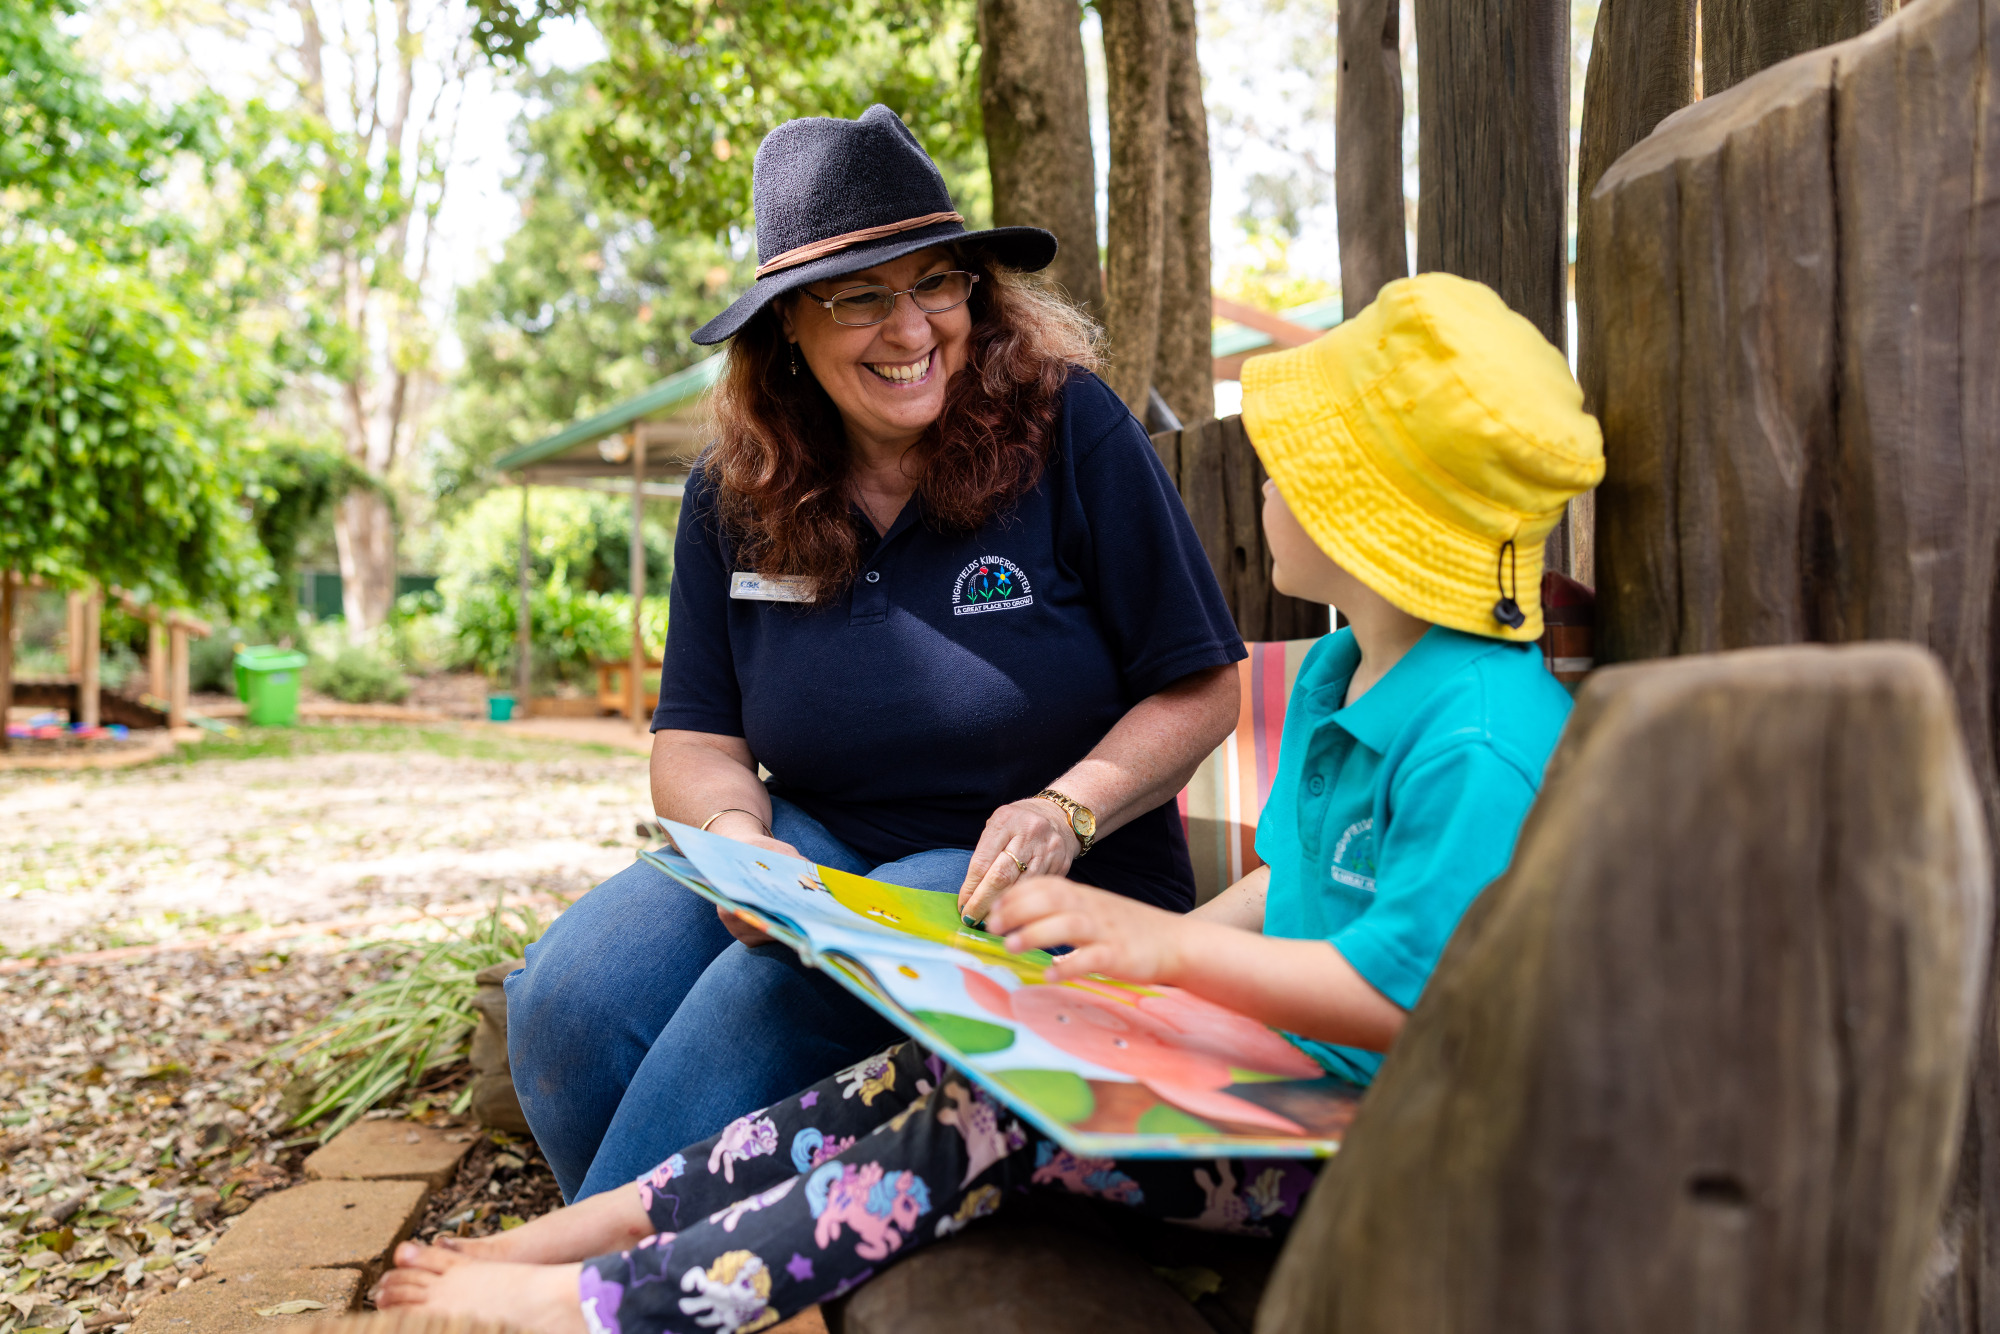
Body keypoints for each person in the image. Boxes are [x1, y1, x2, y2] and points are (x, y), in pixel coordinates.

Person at [374, 272, 1609, 1333]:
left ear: (1364, 519)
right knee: (893, 1080)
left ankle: (614, 1302)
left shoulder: (1475, 735)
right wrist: (1116, 987)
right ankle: (583, 1236)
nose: (1264, 494)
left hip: (1366, 1140)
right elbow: (1292, 889)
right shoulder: (1351, 672)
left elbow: (1412, 999)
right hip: (1270, 1075)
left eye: (1293, 474)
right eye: (859, 295)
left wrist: (1158, 946)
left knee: (975, 1122)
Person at [504, 103, 1247, 1204]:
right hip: (816, 839)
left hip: (1051, 860)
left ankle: (584, 1280)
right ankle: (684, 1262)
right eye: (859, 297)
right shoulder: (732, 491)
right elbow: (697, 735)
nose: (911, 329)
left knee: (782, 987)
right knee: (566, 997)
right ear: (786, 330)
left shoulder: (1067, 426)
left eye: (936, 283)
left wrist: (1068, 806)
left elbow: (1202, 684)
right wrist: (740, 846)